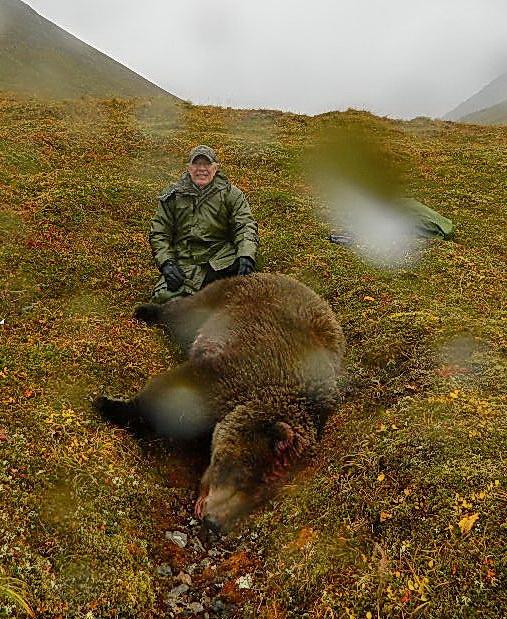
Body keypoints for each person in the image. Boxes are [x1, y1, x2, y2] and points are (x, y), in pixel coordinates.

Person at [149, 145, 259, 303]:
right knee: (163, 299)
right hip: (186, 263)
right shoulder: (172, 197)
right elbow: (159, 233)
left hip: (221, 260)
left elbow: (245, 226)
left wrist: (246, 256)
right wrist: (167, 263)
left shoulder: (231, 194)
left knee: (248, 279)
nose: (201, 169)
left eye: (206, 164)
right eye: (196, 164)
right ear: (189, 168)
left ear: (215, 168)